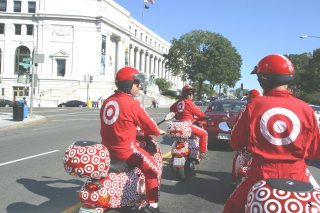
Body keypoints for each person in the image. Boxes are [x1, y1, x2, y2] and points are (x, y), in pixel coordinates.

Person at [223, 54, 320, 213]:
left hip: (260, 175)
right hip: (299, 177)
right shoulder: (307, 109)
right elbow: (315, 151)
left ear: (263, 78)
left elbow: (235, 142)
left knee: (231, 208)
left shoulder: (253, 106)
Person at [100, 66, 163, 213]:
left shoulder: (107, 102)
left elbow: (119, 123)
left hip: (107, 150)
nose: (139, 86)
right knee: (153, 171)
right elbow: (152, 128)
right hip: (127, 151)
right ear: (129, 84)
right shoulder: (133, 103)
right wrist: (156, 131)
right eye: (136, 83)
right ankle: (153, 205)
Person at [169, 85, 208, 159]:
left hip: (177, 124)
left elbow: (171, 108)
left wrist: (177, 115)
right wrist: (204, 116)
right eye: (189, 93)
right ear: (184, 94)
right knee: (204, 134)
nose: (191, 95)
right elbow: (199, 112)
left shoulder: (178, 102)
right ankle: (202, 152)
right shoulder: (189, 102)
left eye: (192, 93)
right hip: (187, 125)